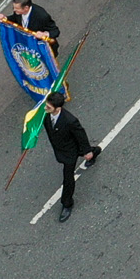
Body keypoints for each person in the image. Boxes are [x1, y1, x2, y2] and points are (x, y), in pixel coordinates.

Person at [42, 94, 100, 222]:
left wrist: (85, 150)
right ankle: (95, 152)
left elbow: (81, 135)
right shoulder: (46, 114)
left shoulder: (69, 120)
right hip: (62, 147)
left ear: (57, 108)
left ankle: (67, 203)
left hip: (69, 152)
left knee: (68, 178)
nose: (45, 108)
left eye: (48, 107)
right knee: (88, 152)